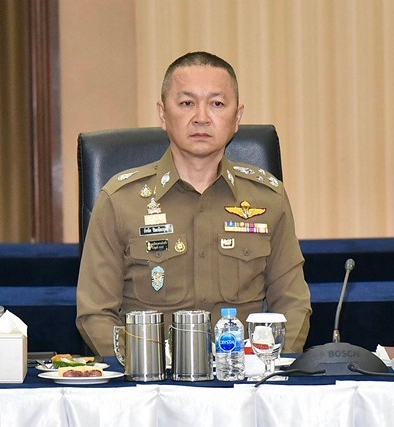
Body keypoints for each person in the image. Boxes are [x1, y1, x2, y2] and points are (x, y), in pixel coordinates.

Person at [76, 51, 312, 356]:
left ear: (237, 117)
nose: (201, 117)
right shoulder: (120, 201)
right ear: (163, 114)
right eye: (187, 103)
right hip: (150, 377)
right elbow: (95, 314)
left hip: (243, 374)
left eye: (217, 104)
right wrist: (143, 365)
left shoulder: (268, 199)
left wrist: (269, 364)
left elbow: (293, 305)